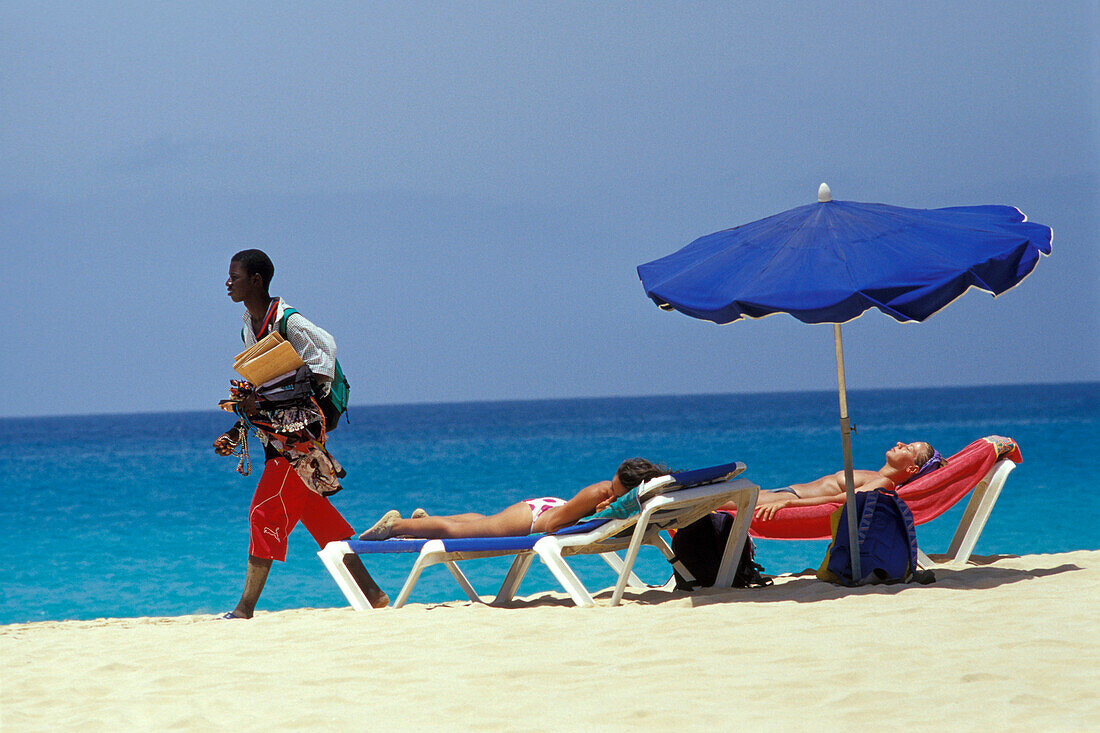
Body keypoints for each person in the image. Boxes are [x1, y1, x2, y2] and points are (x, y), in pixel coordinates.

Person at [213, 249, 387, 618]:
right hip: (276, 434)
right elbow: (261, 385)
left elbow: (324, 356)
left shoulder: (288, 321)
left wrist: (282, 400)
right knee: (316, 514)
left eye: (236, 276)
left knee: (263, 513)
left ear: (256, 280)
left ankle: (245, 608)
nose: (228, 283)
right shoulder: (250, 326)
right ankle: (372, 593)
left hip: (300, 435)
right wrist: (237, 427)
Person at [358, 458, 669, 540]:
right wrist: (600, 510)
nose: (611, 493)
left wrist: (601, 514)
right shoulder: (600, 493)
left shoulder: (620, 499)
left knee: (482, 522)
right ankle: (396, 527)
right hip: (534, 518)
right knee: (458, 534)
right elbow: (553, 525)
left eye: (617, 492)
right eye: (613, 489)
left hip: (538, 513)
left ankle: (423, 524)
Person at [747, 440, 947, 521]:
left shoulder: (884, 484)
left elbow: (843, 499)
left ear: (911, 468)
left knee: (722, 500)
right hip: (785, 492)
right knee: (723, 494)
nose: (900, 443)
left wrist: (789, 503)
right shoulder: (876, 476)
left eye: (908, 448)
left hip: (791, 497)